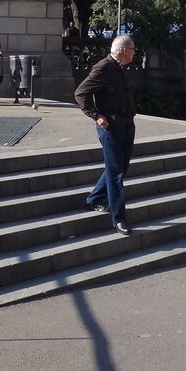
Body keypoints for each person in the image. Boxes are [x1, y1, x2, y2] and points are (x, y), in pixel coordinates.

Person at [75, 34, 137, 236]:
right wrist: (96, 115)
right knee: (115, 173)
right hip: (110, 128)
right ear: (125, 51)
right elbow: (80, 93)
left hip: (127, 124)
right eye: (133, 49)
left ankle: (94, 198)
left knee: (120, 167)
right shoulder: (103, 67)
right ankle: (119, 218)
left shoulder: (122, 68)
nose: (135, 53)